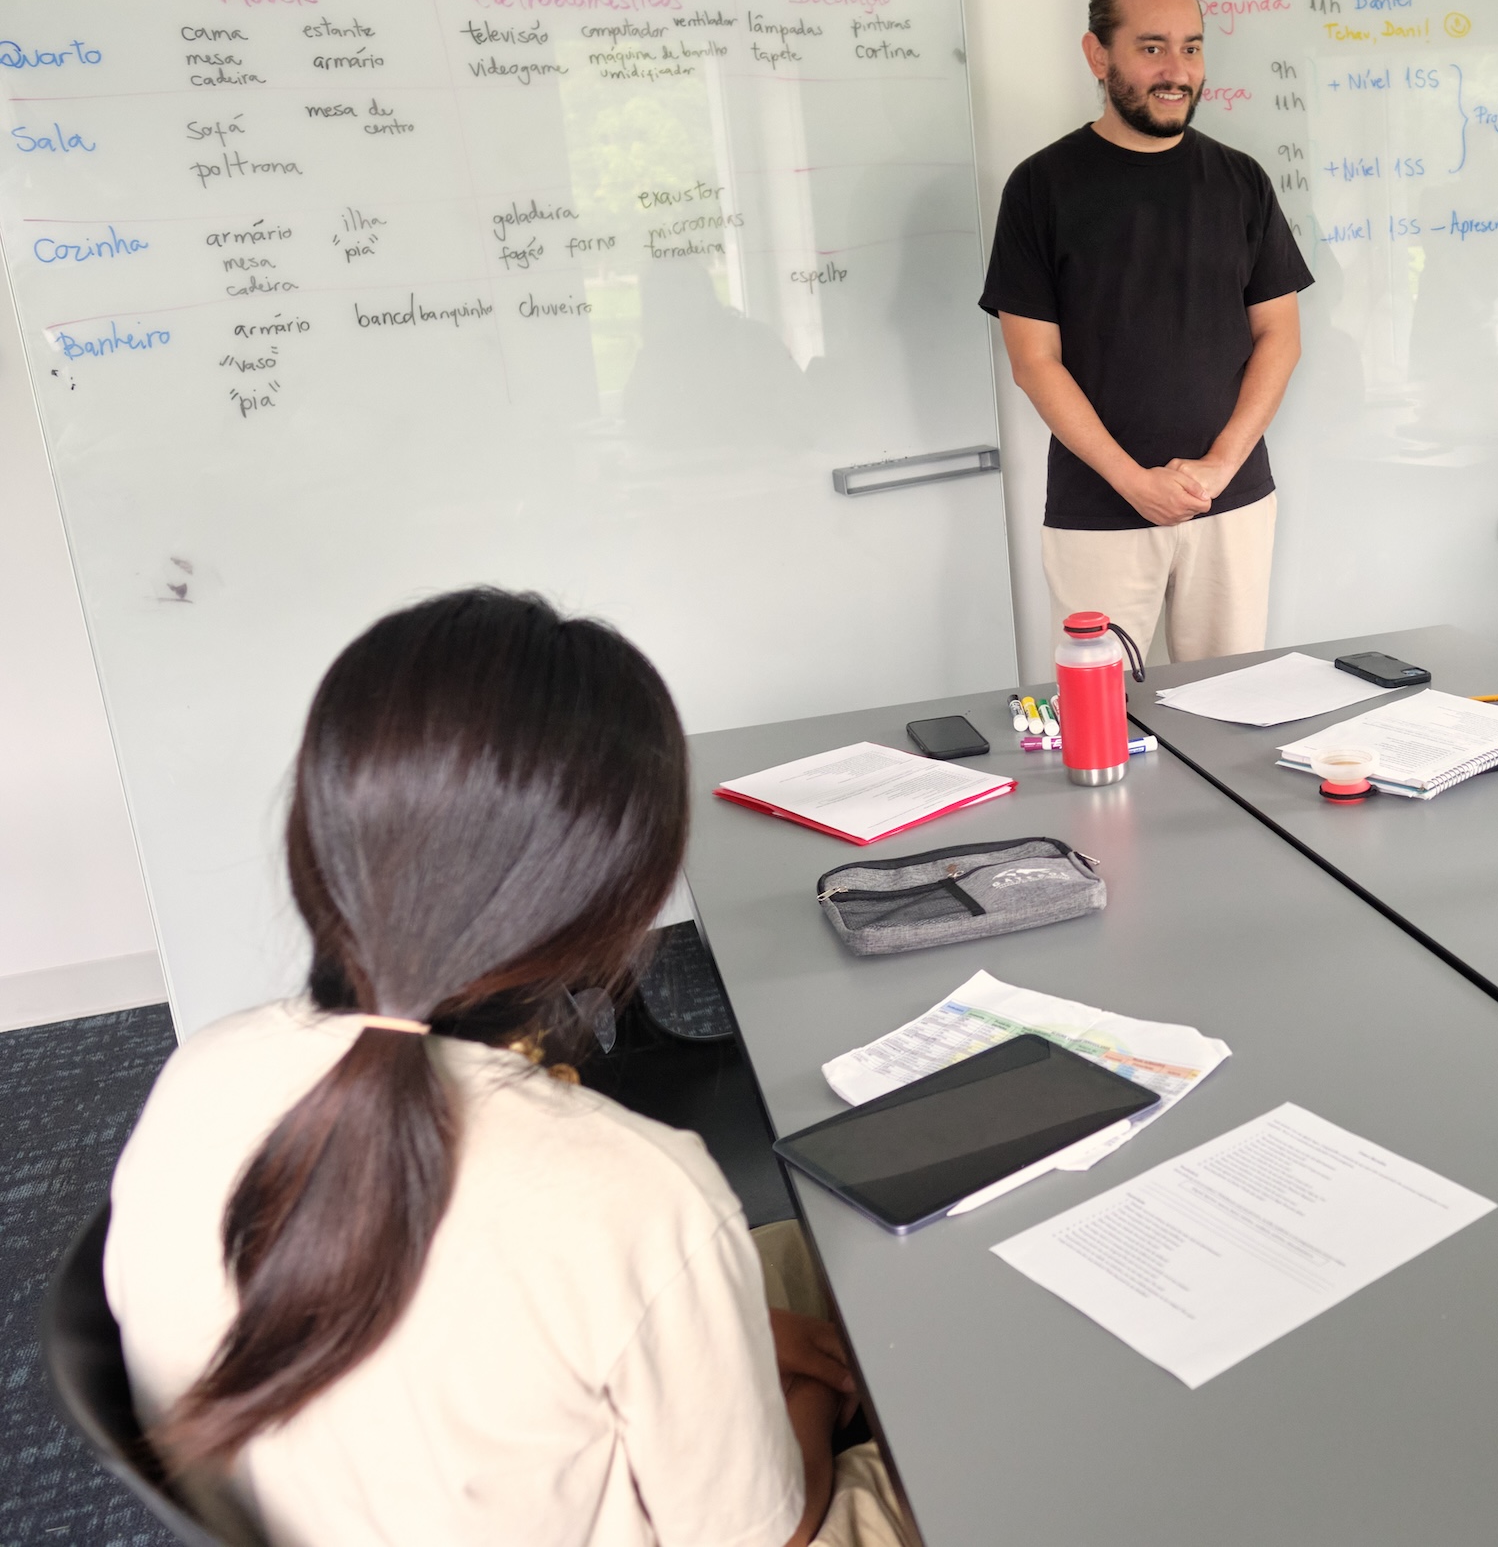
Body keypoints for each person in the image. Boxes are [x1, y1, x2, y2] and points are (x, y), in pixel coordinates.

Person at [106, 590, 915, 1547]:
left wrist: (742, 1337)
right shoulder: (639, 1192)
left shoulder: (203, 1071)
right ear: (623, 897)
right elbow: (767, 1535)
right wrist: (812, 1398)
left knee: (792, 1251)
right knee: (942, 1455)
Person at [980, 0, 1312, 661]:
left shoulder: (1241, 180)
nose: (1177, 69)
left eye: (1191, 47)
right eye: (1152, 46)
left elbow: (1279, 336)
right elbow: (1033, 362)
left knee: (1229, 709)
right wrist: (1134, 482)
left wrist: (1220, 467)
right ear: (1098, 55)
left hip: (1233, 500)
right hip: (1099, 508)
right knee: (1100, 722)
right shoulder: (1041, 188)